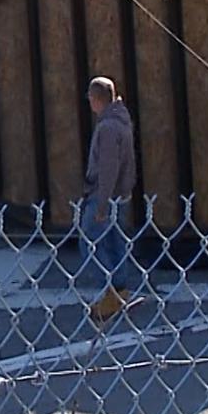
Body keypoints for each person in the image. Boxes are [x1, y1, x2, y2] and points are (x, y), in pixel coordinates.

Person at [80, 76, 141, 320]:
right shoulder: (122, 120)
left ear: (96, 100)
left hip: (105, 195)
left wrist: (101, 203)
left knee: (89, 243)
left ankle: (111, 290)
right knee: (116, 243)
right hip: (122, 195)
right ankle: (120, 288)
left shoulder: (106, 128)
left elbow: (108, 168)